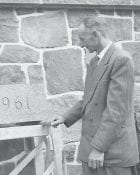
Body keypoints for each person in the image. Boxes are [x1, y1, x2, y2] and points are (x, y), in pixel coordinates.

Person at [50, 16, 138, 175]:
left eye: (82, 38)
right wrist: (65, 117)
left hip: (111, 153)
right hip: (92, 150)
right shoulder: (94, 62)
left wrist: (98, 148)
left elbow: (116, 111)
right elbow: (89, 98)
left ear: (96, 34)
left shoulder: (121, 59)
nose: (80, 43)